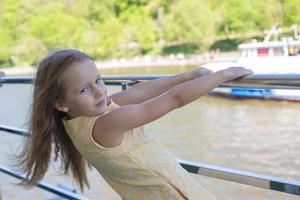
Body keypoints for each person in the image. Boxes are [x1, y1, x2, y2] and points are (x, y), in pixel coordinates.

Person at [16, 49, 252, 200]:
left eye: (98, 80)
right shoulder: (106, 124)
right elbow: (174, 99)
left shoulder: (79, 120)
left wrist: (188, 75)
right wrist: (221, 76)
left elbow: (139, 92)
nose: (99, 92)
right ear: (60, 103)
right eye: (85, 89)